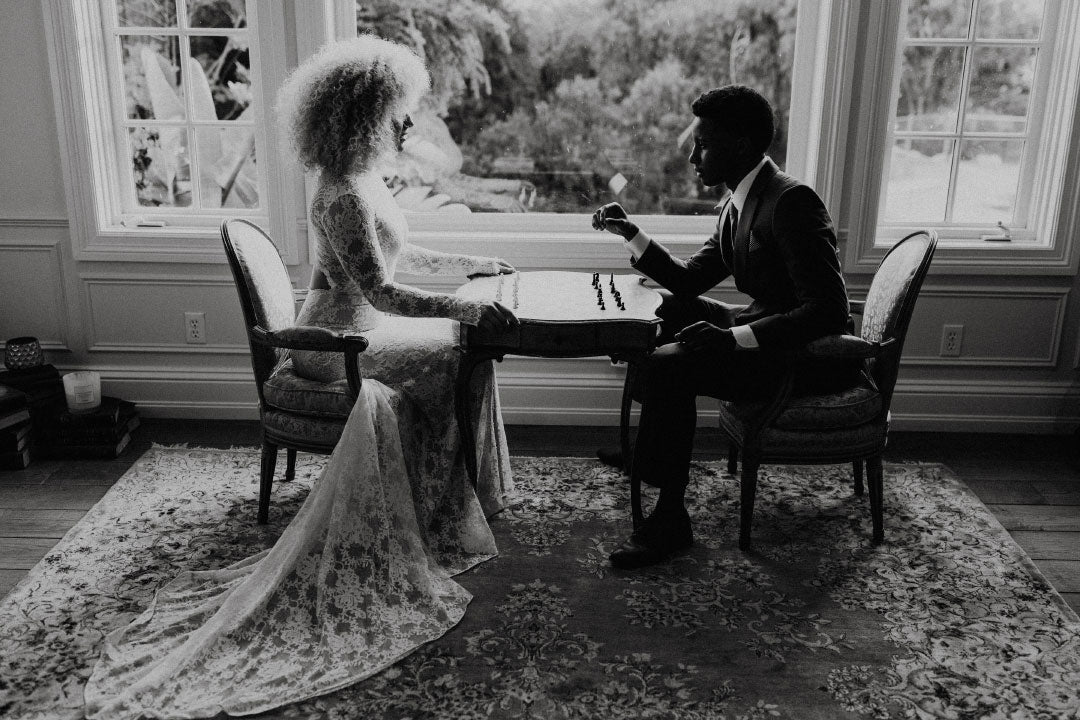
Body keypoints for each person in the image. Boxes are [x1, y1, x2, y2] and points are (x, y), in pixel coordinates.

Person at [84, 36, 519, 718]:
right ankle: (434, 512)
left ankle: (446, 503)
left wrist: (478, 259)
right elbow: (382, 290)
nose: (409, 124)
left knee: (467, 351)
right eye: (398, 112)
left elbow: (407, 253)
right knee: (455, 351)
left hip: (363, 326)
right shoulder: (342, 194)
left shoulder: (366, 179)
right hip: (333, 340)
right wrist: (465, 299)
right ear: (364, 116)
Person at [592, 85, 855, 569]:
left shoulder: (792, 202)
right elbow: (692, 279)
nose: (693, 155)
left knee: (672, 365)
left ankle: (671, 518)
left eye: (703, 144)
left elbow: (828, 311)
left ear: (740, 145)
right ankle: (648, 453)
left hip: (802, 358)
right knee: (665, 306)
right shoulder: (741, 199)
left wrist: (732, 339)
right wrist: (631, 233)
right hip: (759, 329)